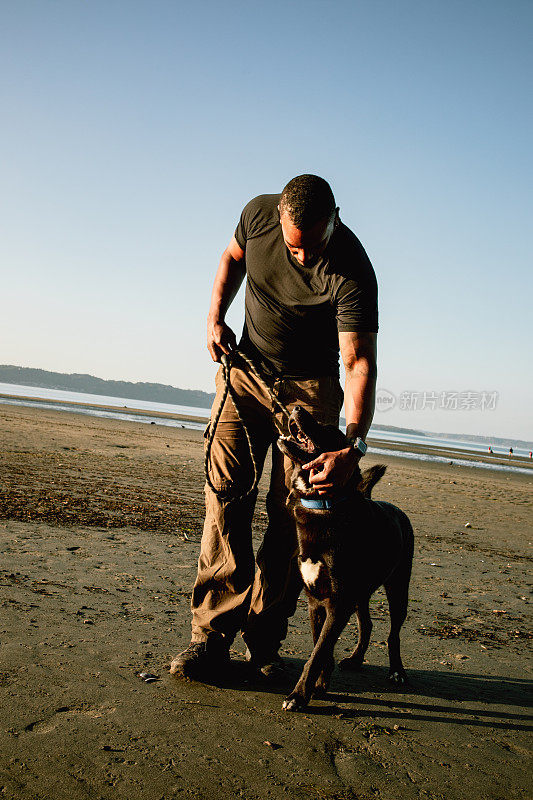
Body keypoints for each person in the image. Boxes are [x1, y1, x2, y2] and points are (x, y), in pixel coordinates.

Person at [170, 174, 378, 680]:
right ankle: (211, 637)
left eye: (313, 246)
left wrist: (352, 445)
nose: (302, 256)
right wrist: (214, 316)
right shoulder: (259, 216)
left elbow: (357, 364)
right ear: (280, 222)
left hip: (310, 390)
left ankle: (265, 638)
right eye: (293, 246)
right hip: (245, 374)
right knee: (224, 497)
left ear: (335, 220)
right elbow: (231, 260)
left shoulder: (352, 269)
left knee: (293, 516)